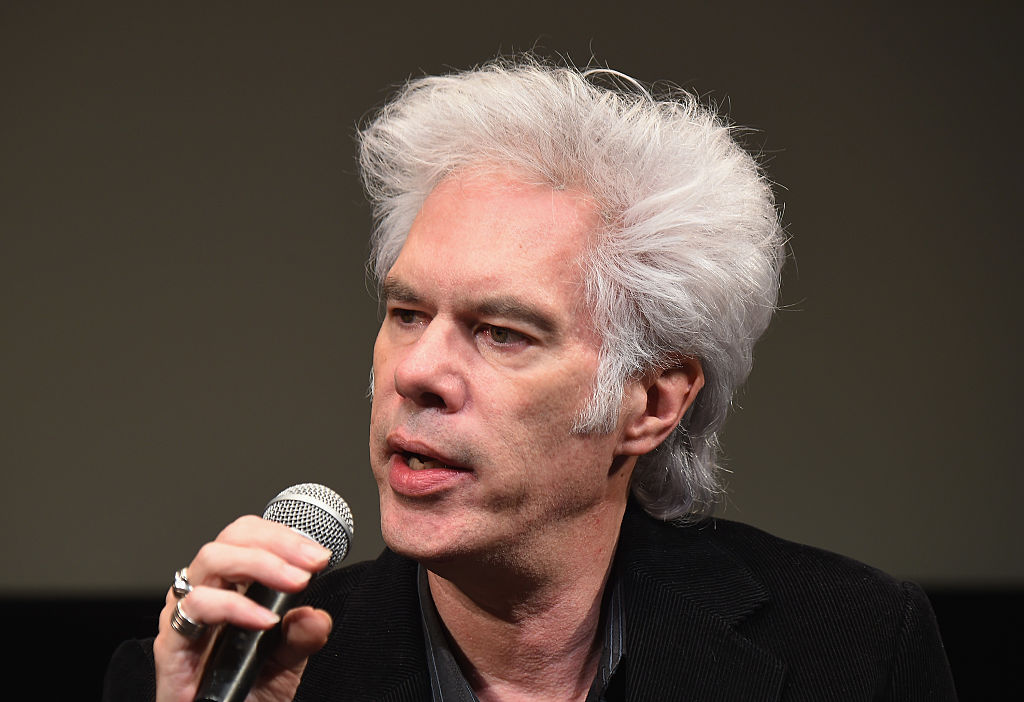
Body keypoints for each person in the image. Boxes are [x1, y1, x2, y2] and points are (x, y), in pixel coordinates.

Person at [104, 57, 957, 701]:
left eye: (502, 333)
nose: (420, 371)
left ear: (652, 402)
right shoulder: (234, 675)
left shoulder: (852, 651)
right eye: (406, 313)